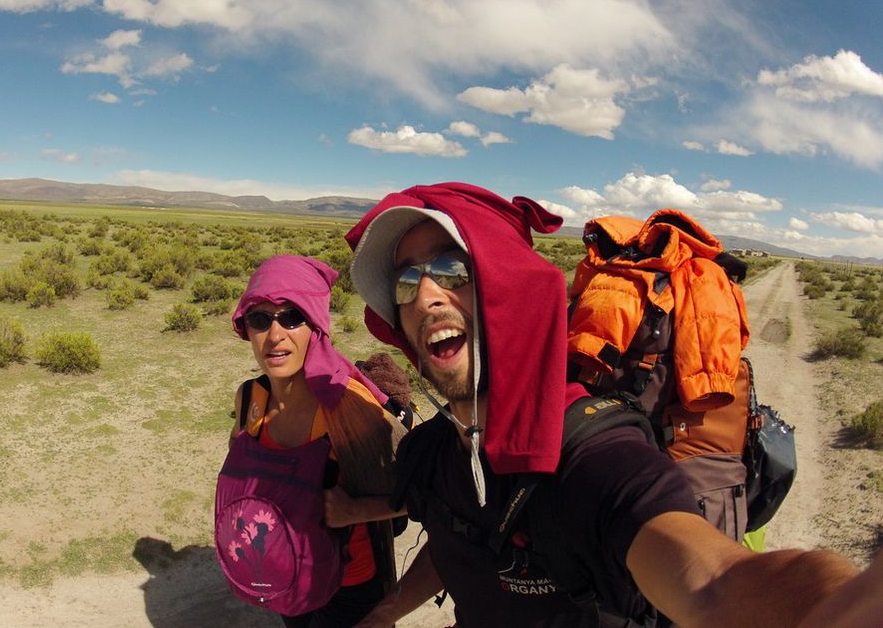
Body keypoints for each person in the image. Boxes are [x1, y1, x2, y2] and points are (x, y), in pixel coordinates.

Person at [340, 181, 860, 628]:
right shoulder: (439, 450)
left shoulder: (594, 453)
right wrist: (386, 611)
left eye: (452, 270)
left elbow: (710, 580)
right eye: (406, 281)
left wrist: (831, 605)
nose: (426, 293)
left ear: (507, 289)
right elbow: (463, 538)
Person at [226, 254, 406, 628]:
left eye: (292, 317)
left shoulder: (351, 408)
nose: (275, 335)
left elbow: (428, 494)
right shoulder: (250, 399)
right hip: (283, 571)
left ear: (316, 324)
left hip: (350, 586)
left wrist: (356, 512)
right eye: (260, 319)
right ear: (247, 328)